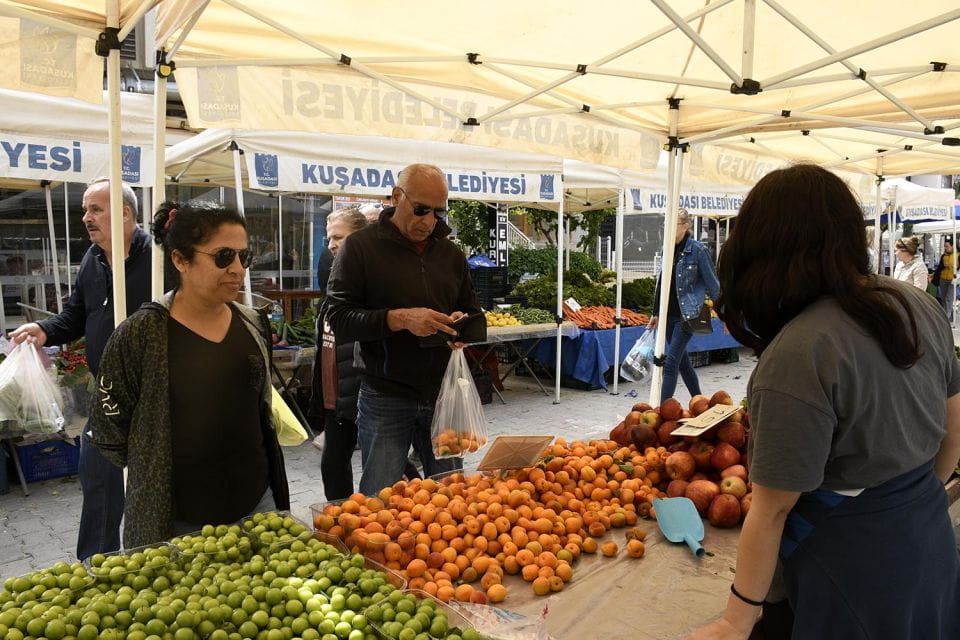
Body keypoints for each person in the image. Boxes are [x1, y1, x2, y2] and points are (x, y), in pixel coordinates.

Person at [685, 164, 960, 640]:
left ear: (763, 250)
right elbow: (954, 430)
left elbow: (771, 511)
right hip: (929, 538)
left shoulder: (798, 353)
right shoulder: (917, 304)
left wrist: (737, 619)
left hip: (851, 571)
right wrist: (911, 500)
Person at [90, 202, 290, 547]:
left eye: (245, 256)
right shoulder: (141, 333)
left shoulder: (252, 322)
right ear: (180, 260)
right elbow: (108, 428)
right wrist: (153, 461)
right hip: (176, 521)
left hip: (258, 504)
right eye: (224, 256)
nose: (238, 269)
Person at [10, 178, 151, 560]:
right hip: (107, 394)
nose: (86, 217)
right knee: (99, 479)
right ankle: (95, 564)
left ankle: (152, 558)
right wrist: (43, 328)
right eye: (86, 210)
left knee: (152, 486)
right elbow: (76, 314)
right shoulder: (93, 257)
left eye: (96, 209)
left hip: (154, 393)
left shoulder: (158, 257)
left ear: (124, 213)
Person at [325, 163, 483, 495]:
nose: (429, 220)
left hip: (443, 393)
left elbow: (474, 314)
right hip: (385, 395)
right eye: (421, 209)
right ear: (397, 196)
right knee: (378, 498)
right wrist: (400, 319)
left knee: (451, 495)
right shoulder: (360, 248)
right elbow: (339, 318)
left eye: (438, 212)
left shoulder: (451, 254)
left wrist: (461, 325)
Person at [312, 207, 368, 499]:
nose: (332, 244)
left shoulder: (369, 281)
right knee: (333, 464)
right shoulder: (335, 278)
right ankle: (339, 519)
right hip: (335, 394)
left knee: (383, 463)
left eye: (339, 237)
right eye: (329, 238)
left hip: (361, 393)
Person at [648, 208, 721, 403]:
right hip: (667, 315)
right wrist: (655, 313)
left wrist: (725, 314)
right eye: (666, 225)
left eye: (674, 225)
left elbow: (714, 286)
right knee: (683, 364)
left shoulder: (698, 250)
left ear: (686, 226)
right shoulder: (667, 248)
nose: (669, 229)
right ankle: (699, 401)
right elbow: (662, 282)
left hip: (687, 315)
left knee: (671, 363)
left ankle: (661, 410)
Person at [933, 238, 957, 321]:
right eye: (944, 246)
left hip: (953, 280)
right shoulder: (943, 256)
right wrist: (935, 276)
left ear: (952, 246)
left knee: (948, 299)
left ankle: (945, 318)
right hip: (943, 280)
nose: (945, 248)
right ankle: (950, 315)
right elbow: (939, 267)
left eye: (947, 246)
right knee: (943, 299)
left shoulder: (958, 255)